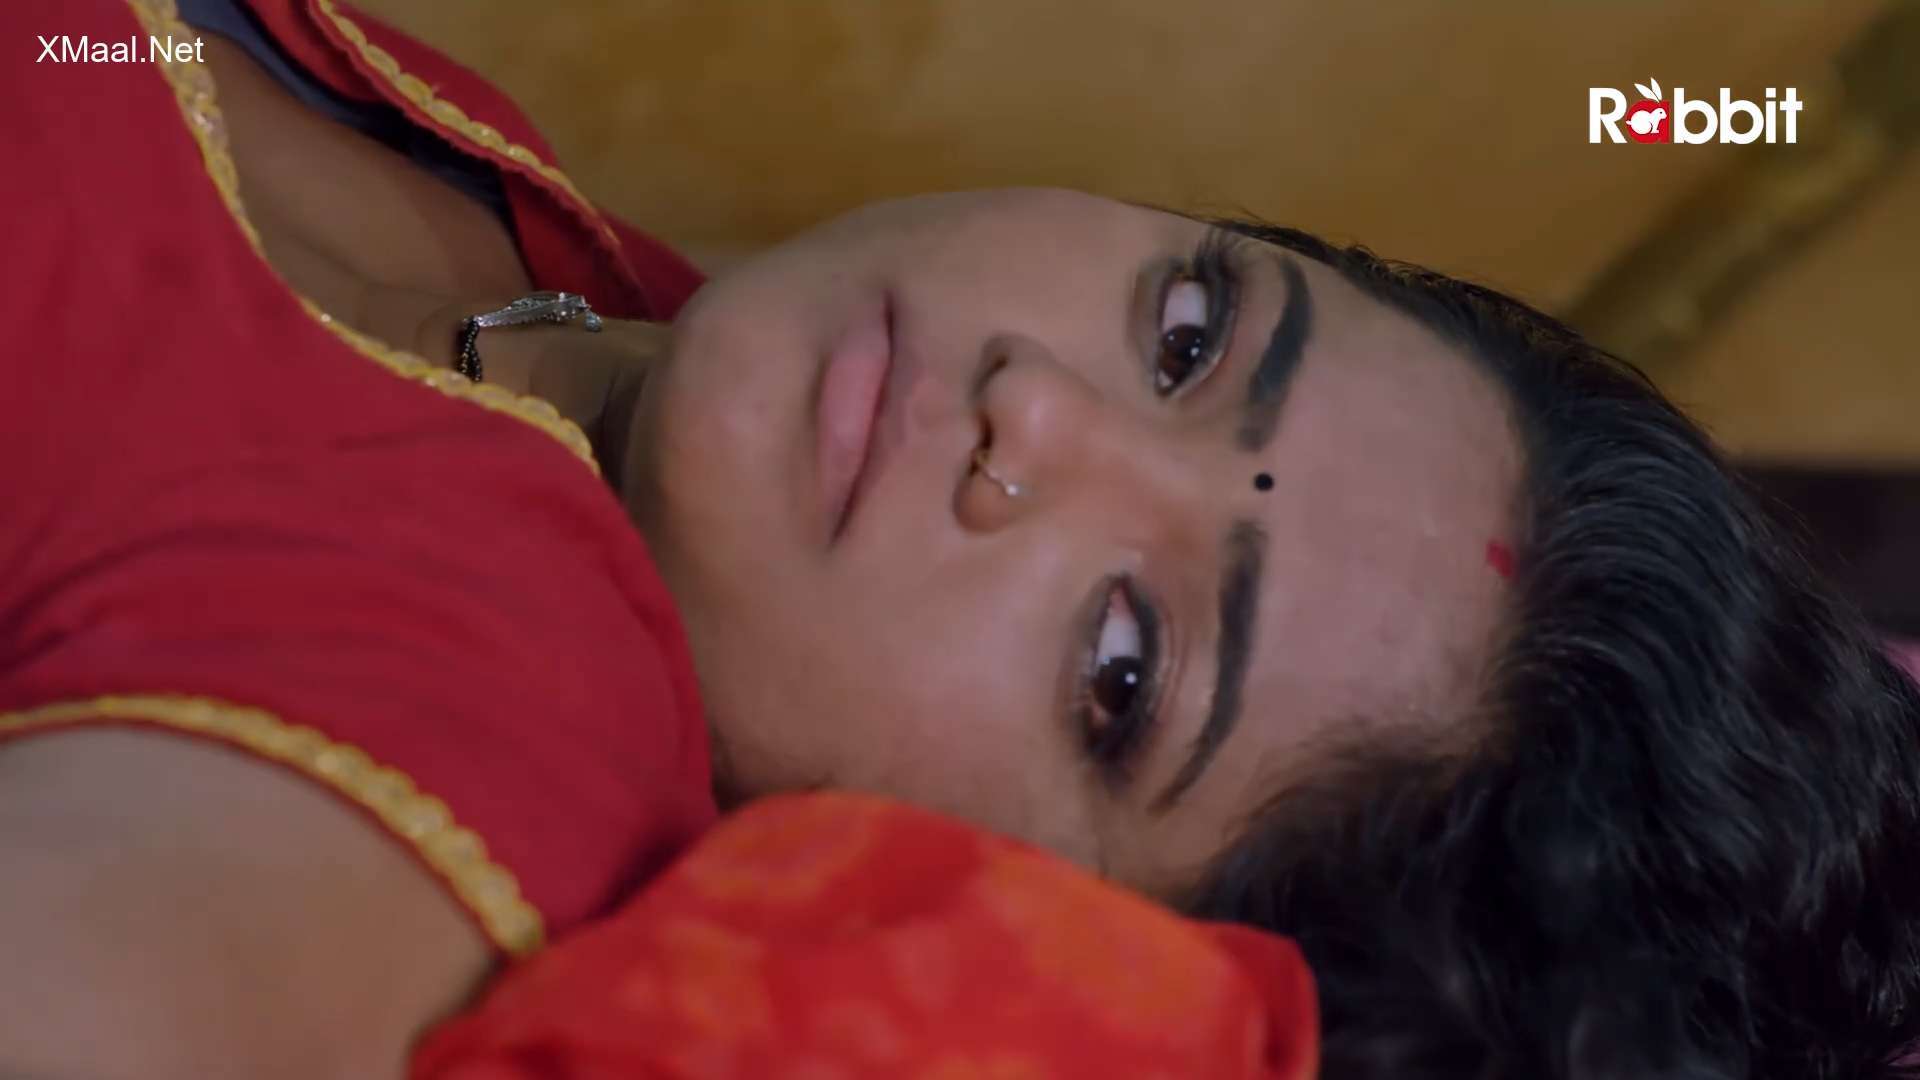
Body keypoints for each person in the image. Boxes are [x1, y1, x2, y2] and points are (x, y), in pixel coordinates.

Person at [3, 0, 1915, 1077]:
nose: (1040, 417)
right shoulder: (601, 302)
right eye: (1193, 337)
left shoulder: (443, 744)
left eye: (1124, 671)